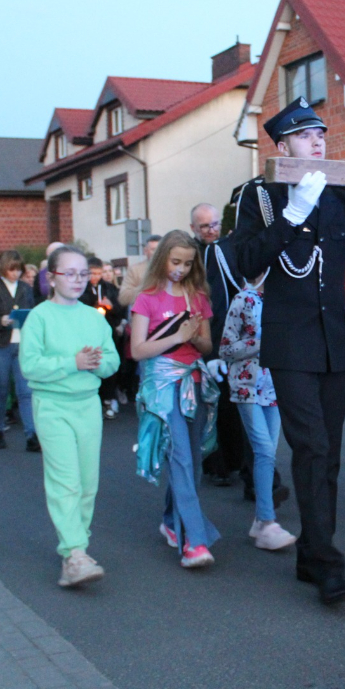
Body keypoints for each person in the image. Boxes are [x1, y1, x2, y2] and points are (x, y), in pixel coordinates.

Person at [230, 96, 345, 606]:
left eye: (320, 133)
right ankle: (326, 563)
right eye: (304, 135)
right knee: (312, 448)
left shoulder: (340, 198)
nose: (317, 141)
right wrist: (292, 215)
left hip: (336, 342)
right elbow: (246, 262)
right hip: (291, 341)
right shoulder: (259, 197)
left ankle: (311, 556)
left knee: (331, 455)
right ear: (282, 145)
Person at [20, 245, 120, 587]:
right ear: (51, 278)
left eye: (83, 273)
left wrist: (96, 362)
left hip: (88, 406)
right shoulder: (39, 317)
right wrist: (71, 363)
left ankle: (77, 550)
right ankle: (74, 553)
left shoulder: (94, 316)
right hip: (52, 407)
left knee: (88, 484)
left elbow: (113, 362)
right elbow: (29, 366)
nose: (78, 280)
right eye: (70, 273)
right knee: (66, 482)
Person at [130, 231, 220, 569]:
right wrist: (176, 336)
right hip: (162, 387)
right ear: (161, 259)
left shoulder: (198, 297)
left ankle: (170, 521)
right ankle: (194, 542)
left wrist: (195, 337)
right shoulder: (147, 298)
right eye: (175, 261)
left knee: (193, 460)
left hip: (195, 383)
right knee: (181, 457)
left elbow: (208, 347)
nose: (180, 269)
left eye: (187, 263)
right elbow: (138, 351)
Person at [219, 277, 299, 551]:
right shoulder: (243, 299)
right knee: (264, 450)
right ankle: (267, 522)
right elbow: (226, 348)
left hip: (275, 388)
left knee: (269, 453)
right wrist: (262, 342)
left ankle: (260, 521)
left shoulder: (283, 301)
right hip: (247, 386)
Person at [193, 202, 250, 491]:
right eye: (205, 226)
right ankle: (216, 463)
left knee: (238, 403)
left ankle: (240, 462)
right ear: (194, 228)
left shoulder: (229, 246)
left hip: (237, 336)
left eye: (214, 224)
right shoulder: (192, 256)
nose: (211, 230)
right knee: (214, 404)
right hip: (208, 338)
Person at [0, 249, 38, 451]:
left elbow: (33, 311)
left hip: (22, 343)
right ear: (4, 269)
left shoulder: (25, 288)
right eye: (12, 270)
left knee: (26, 392)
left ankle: (31, 435)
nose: (16, 274)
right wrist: (0, 320)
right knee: (1, 390)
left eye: (18, 270)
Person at [79, 256, 122, 419]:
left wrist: (110, 306)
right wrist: (94, 307)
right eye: (92, 273)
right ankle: (93, 400)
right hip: (87, 333)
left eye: (98, 273)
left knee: (107, 365)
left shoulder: (109, 288)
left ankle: (109, 399)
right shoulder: (82, 288)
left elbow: (120, 308)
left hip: (107, 330)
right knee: (91, 365)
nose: (95, 277)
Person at [118, 236, 162, 308]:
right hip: (144, 313)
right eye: (153, 250)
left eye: (160, 250)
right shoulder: (135, 270)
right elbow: (123, 298)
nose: (157, 253)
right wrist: (145, 289)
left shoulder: (172, 269)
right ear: (145, 251)